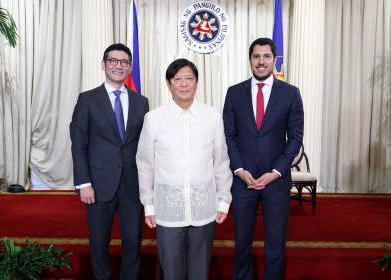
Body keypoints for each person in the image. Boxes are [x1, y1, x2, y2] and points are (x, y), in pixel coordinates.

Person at [136, 58, 232, 280]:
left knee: (200, 273)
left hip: (204, 209)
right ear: (168, 84)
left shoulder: (213, 117)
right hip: (168, 211)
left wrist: (224, 200)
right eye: (177, 79)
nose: (184, 84)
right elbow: (145, 165)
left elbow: (221, 162)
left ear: (197, 83)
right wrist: (148, 205)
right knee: (171, 273)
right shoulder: (154, 119)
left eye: (189, 78)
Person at [223, 38, 304, 280]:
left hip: (276, 182)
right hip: (243, 180)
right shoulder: (234, 92)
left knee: (275, 245)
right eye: (256, 56)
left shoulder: (290, 93)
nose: (261, 61)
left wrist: (276, 172)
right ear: (250, 60)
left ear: (274, 60)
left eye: (266, 56)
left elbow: (295, 138)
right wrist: (238, 169)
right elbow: (229, 135)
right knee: (242, 244)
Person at [70, 43, 149, 280]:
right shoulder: (87, 99)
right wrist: (84, 183)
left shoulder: (141, 101)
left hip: (132, 184)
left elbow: (144, 145)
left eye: (124, 62)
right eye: (113, 61)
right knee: (99, 243)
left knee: (134, 243)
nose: (118, 66)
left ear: (130, 68)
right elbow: (79, 144)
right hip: (97, 183)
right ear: (103, 65)